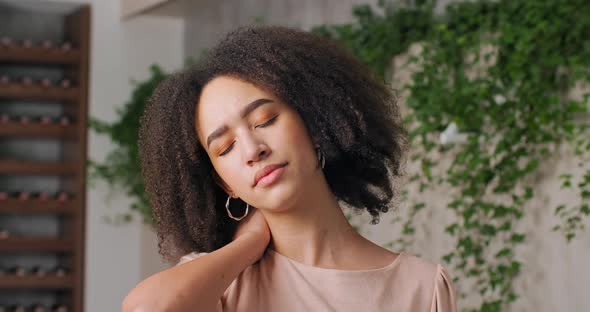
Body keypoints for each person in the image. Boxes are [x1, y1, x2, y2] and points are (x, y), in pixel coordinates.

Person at [123, 25, 457, 312]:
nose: (253, 150)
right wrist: (248, 245)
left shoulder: (422, 288)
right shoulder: (220, 286)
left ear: (315, 123)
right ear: (225, 185)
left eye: (265, 120)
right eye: (225, 147)